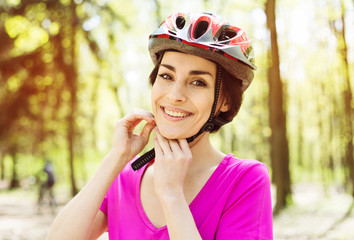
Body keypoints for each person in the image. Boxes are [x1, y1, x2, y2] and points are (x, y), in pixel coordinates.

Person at [48, 12, 273, 240]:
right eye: (166, 76)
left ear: (224, 102)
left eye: (198, 82)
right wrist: (116, 158)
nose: (175, 95)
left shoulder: (244, 181)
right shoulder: (125, 175)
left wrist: (172, 195)